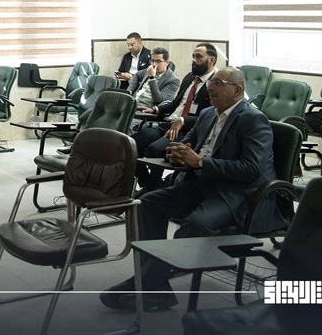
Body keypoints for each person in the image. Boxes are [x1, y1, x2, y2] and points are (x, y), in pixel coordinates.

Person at [101, 67, 281, 311]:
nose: (210, 87)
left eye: (218, 83)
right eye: (212, 82)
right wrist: (177, 153)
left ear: (238, 90)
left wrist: (201, 163)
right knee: (148, 203)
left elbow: (252, 170)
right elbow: (189, 144)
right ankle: (157, 287)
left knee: (197, 223)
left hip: (238, 194)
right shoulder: (207, 114)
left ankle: (145, 283)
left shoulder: (252, 119)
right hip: (203, 184)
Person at [132, 43, 218, 194]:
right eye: (193, 56)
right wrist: (156, 109)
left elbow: (212, 115)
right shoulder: (190, 77)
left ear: (211, 60)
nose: (193, 60)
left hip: (189, 129)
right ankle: (151, 185)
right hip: (169, 123)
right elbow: (175, 103)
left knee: (154, 149)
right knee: (131, 144)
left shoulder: (216, 83)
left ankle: (152, 189)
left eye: (198, 57)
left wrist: (183, 120)